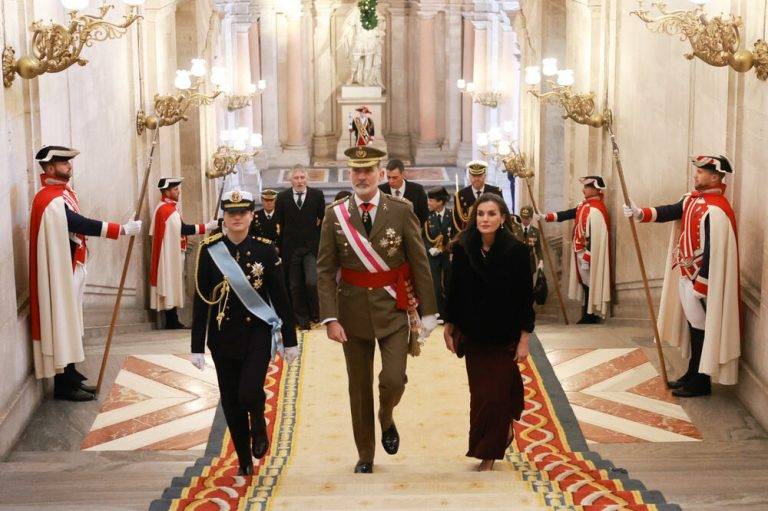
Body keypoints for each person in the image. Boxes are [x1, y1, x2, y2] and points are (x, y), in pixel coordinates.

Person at [317, 146, 438, 474]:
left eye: (368, 170)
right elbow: (325, 269)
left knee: (394, 379)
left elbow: (419, 262)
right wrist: (330, 318)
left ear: (380, 174)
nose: (362, 177)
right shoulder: (335, 214)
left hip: (393, 309)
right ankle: (365, 454)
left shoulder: (400, 210)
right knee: (358, 388)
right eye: (356, 171)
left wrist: (428, 311)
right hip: (351, 313)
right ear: (349, 174)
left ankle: (386, 415)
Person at [191, 190, 298, 476]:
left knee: (249, 391)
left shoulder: (266, 250)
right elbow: (201, 301)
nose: (236, 218)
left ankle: (258, 425)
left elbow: (282, 298)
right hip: (222, 336)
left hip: (257, 334)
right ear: (224, 217)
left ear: (252, 215)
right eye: (231, 213)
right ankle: (244, 460)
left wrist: (290, 341)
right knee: (231, 401)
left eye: (242, 212)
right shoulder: (209, 251)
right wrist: (196, 346)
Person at [29, 145, 142, 401]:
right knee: (64, 322)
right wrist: (121, 229)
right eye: (63, 162)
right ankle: (63, 384)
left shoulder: (62, 194)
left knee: (71, 322)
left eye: (68, 162)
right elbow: (78, 223)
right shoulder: (49, 199)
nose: (69, 166)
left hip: (72, 266)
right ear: (49, 168)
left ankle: (70, 374)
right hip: (61, 273)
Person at [623, 155, 740, 398]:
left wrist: (702, 284)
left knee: (702, 327)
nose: (696, 174)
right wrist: (639, 213)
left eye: (701, 171)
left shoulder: (717, 210)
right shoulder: (692, 199)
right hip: (686, 273)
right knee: (694, 326)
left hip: (701, 280)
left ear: (715, 177)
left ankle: (701, 382)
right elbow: (670, 211)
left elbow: (714, 252)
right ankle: (692, 373)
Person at [442, 193, 534, 472]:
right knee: (481, 396)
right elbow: (454, 290)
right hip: (474, 334)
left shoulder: (517, 251)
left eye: (492, 213)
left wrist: (524, 339)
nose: (485, 219)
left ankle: (489, 454)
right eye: (481, 214)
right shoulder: (462, 248)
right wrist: (449, 326)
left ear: (502, 217)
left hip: (504, 335)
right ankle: (496, 436)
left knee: (496, 394)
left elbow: (525, 298)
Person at [538, 176, 611, 324]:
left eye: (586, 187)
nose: (583, 190)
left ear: (595, 189)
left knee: (591, 282)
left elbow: (596, 236)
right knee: (584, 282)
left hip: (588, 253)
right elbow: (567, 214)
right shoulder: (583, 206)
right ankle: (587, 313)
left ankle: (591, 315)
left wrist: (588, 255)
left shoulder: (597, 210)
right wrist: (546, 217)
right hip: (579, 251)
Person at [150, 177, 218, 330]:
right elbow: (184, 229)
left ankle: (173, 319)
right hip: (169, 255)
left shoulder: (169, 208)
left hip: (174, 252)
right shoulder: (165, 210)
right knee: (171, 282)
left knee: (174, 282)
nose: (178, 191)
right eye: (175, 189)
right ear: (166, 191)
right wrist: (206, 227)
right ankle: (171, 320)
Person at [274, 165, 326, 329]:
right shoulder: (282, 197)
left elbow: (322, 220)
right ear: (291, 180)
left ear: (307, 179)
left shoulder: (317, 195)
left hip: (310, 247)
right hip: (291, 248)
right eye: (296, 178)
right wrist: (280, 248)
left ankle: (315, 314)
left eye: (302, 177)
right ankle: (302, 320)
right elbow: (279, 223)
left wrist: (318, 242)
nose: (299, 181)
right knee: (294, 285)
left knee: (311, 282)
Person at [423, 186, 455, 320]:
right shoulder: (427, 216)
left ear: (440, 202)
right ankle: (439, 313)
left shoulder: (452, 215)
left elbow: (457, 235)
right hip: (433, 259)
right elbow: (422, 236)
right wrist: (429, 248)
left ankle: (450, 314)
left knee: (449, 285)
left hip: (448, 258)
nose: (428, 203)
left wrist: (448, 248)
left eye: (431, 200)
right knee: (435, 286)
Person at [453, 160, 503, 231]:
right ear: (469, 177)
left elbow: (501, 214)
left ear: (485, 176)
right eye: (473, 176)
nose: (476, 179)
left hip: (491, 231)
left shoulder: (495, 192)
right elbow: (457, 219)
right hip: (469, 233)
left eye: (479, 176)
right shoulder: (460, 195)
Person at [378, 159, 429, 226]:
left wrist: (414, 229)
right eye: (388, 177)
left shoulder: (417, 190)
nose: (391, 181)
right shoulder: (380, 190)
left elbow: (424, 214)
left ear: (403, 174)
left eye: (395, 178)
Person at [518, 205, 544, 278]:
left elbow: (538, 249)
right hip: (516, 261)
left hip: (530, 263)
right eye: (523, 218)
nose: (525, 220)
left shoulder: (536, 232)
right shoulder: (514, 230)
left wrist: (541, 261)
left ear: (531, 218)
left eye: (527, 218)